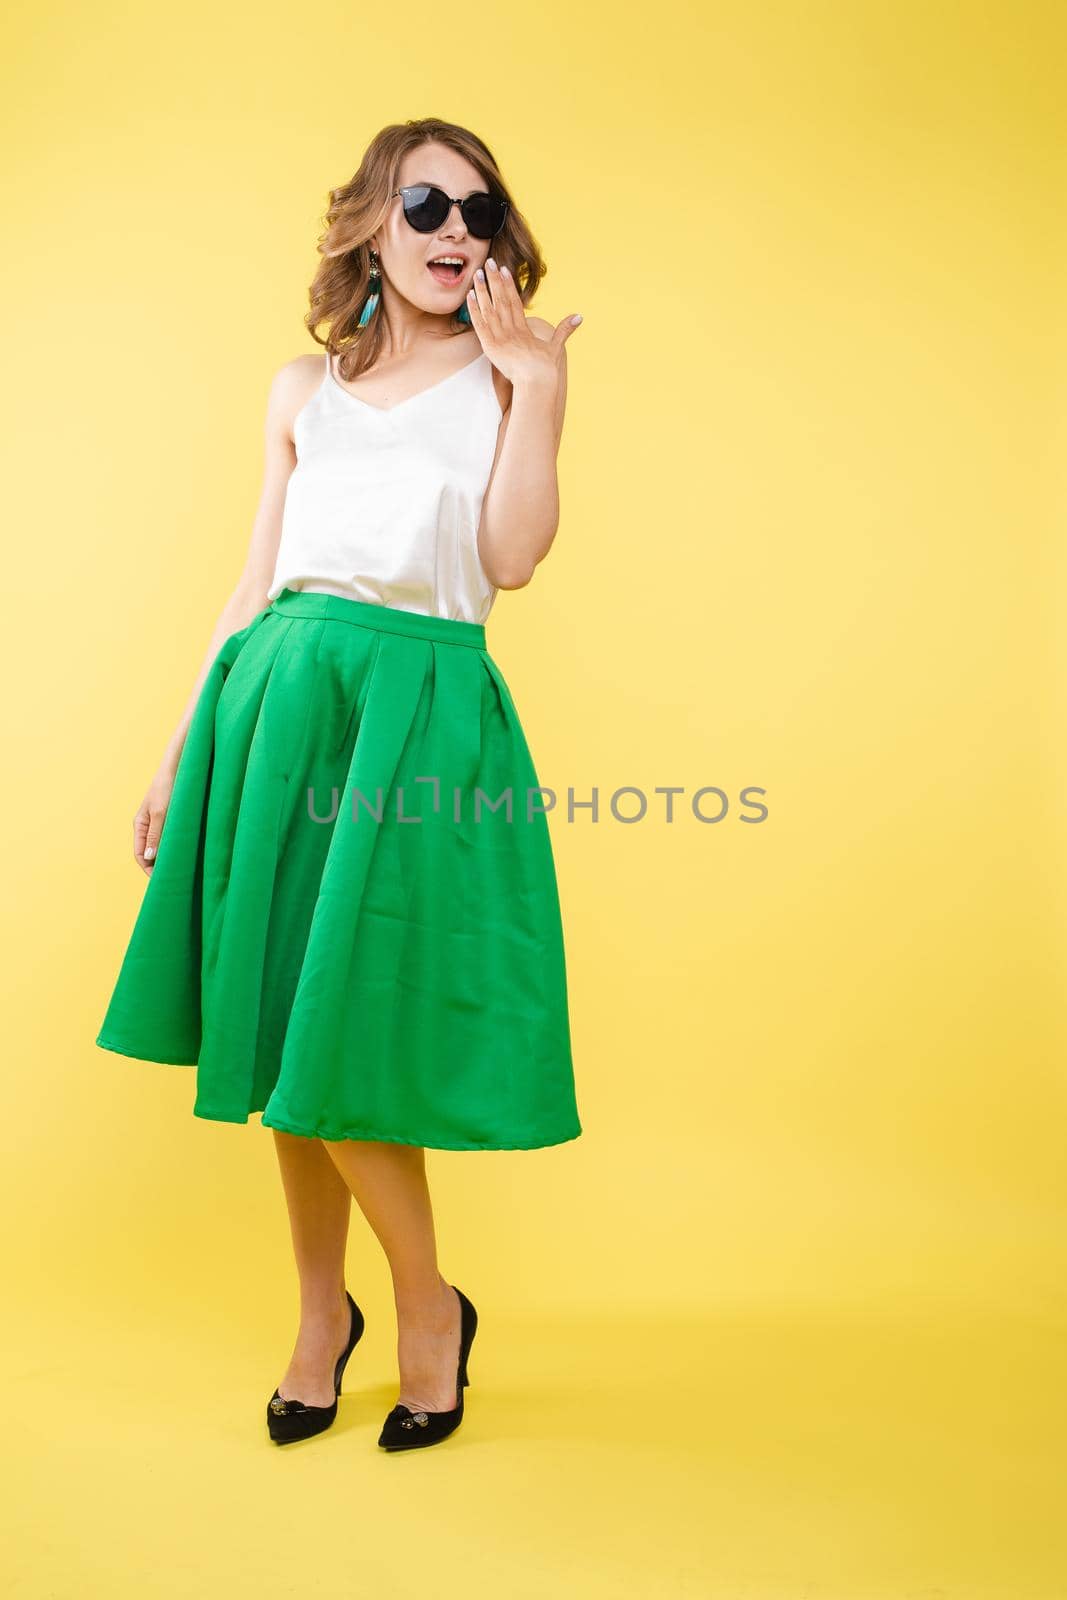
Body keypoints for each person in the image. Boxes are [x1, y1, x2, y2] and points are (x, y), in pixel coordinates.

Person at [95, 118, 584, 1453]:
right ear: (371, 220)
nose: (453, 233)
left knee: (344, 1029)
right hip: (275, 709)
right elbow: (253, 587)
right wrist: (179, 748)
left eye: (479, 214)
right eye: (425, 203)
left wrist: (533, 390)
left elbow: (513, 559)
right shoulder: (299, 391)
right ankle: (324, 1319)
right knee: (275, 1025)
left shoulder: (505, 379)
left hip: (414, 718)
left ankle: (428, 1308)